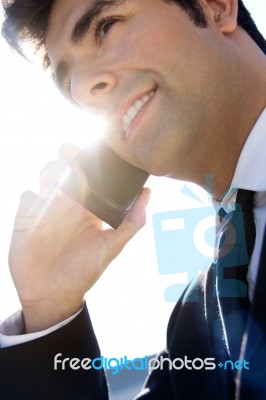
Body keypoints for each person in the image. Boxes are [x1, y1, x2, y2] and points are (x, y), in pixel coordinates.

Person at [0, 0, 265, 398]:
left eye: (106, 26)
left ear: (216, 7)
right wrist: (48, 311)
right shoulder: (192, 331)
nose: (82, 89)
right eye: (68, 80)